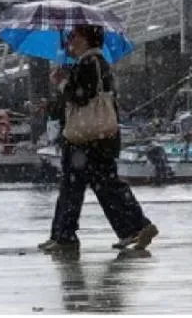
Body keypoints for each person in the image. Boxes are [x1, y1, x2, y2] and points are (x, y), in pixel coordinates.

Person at [38, 25, 158, 253]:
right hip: (97, 138)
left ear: (85, 39)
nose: (69, 41)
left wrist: (61, 82)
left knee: (77, 187)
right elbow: (78, 100)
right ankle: (134, 227)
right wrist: (53, 104)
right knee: (103, 185)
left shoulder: (90, 63)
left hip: (86, 139)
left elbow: (80, 97)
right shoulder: (92, 64)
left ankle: (66, 236)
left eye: (73, 36)